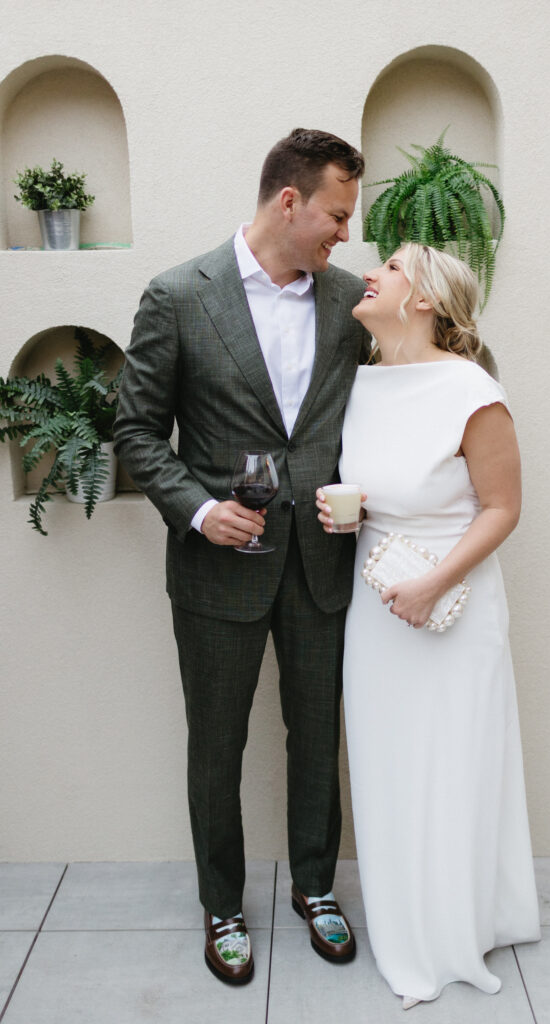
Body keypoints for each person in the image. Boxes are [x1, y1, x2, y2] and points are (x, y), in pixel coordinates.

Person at [114, 128, 371, 985]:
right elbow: (137, 431)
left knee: (315, 739)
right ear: (287, 201)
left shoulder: (346, 304)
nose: (344, 233)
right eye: (335, 215)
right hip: (217, 571)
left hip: (321, 563)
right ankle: (221, 903)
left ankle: (314, 887)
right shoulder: (178, 295)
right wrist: (194, 509)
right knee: (216, 745)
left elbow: (398, 383)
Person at [317, 243, 541, 1008]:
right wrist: (345, 515)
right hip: (377, 607)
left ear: (421, 300)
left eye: (389, 266)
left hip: (452, 607)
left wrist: (434, 582)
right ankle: (404, 911)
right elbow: (380, 491)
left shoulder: (471, 390)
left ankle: (449, 928)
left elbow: (503, 507)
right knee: (387, 763)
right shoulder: (362, 383)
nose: (367, 270)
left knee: (450, 763)